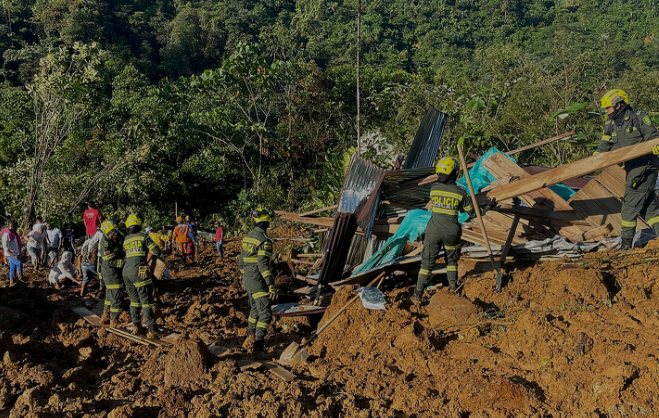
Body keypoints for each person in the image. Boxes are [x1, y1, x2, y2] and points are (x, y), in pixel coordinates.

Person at [412, 157, 494, 302]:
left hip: (433, 231)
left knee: (427, 264)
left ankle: (417, 295)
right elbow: (472, 213)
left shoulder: (434, 190)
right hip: (451, 232)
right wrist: (487, 207)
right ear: (453, 173)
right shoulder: (460, 192)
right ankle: (452, 287)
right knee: (451, 261)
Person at [595, 89, 659, 250]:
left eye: (608, 108)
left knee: (629, 206)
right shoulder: (610, 124)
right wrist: (594, 160)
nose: (607, 112)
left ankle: (625, 247)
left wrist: (656, 145)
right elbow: (604, 146)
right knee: (648, 209)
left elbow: (653, 137)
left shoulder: (638, 117)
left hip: (645, 166)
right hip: (631, 168)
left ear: (619, 105)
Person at [238, 208, 277, 357]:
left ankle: (250, 335)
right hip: (257, 280)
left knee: (254, 309)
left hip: (247, 279)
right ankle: (258, 345)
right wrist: (271, 284)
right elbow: (263, 265)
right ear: (267, 222)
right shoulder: (264, 240)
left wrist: (246, 277)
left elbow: (241, 262)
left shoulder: (247, 237)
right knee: (266, 314)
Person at [122, 214, 163, 339]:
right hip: (139, 272)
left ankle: (136, 325)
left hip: (126, 272)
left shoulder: (126, 239)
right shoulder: (143, 236)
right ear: (139, 225)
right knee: (146, 302)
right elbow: (157, 251)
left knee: (134, 301)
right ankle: (151, 329)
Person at [99, 220, 125, 327]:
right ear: (106, 234)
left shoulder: (119, 235)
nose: (114, 235)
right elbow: (110, 262)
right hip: (110, 272)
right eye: (111, 233)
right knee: (117, 295)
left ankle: (105, 316)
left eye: (115, 232)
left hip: (116, 270)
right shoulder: (105, 244)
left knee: (110, 295)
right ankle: (114, 320)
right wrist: (125, 263)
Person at [2, 220, 23, 286]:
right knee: (19, 263)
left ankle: (11, 282)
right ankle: (20, 279)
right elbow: (5, 248)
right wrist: (13, 256)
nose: (16, 228)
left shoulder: (14, 234)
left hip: (16, 253)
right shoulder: (6, 234)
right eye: (16, 227)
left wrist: (18, 253)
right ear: (12, 226)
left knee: (12, 268)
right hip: (9, 254)